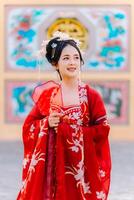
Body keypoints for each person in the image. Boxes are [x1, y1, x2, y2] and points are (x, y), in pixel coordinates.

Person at [17, 31, 111, 200]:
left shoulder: (91, 95)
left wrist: (72, 131)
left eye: (76, 57)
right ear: (55, 64)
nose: (72, 62)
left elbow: (102, 129)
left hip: (81, 171)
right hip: (52, 170)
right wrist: (46, 123)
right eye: (66, 58)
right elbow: (29, 126)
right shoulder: (48, 95)